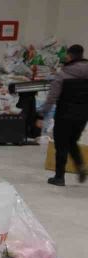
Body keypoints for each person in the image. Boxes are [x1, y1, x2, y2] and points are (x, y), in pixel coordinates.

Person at [39, 44, 88, 186]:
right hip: (82, 116)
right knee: (72, 142)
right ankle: (80, 165)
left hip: (64, 114)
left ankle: (59, 177)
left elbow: (52, 97)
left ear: (70, 56)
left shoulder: (64, 74)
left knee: (61, 145)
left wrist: (42, 114)